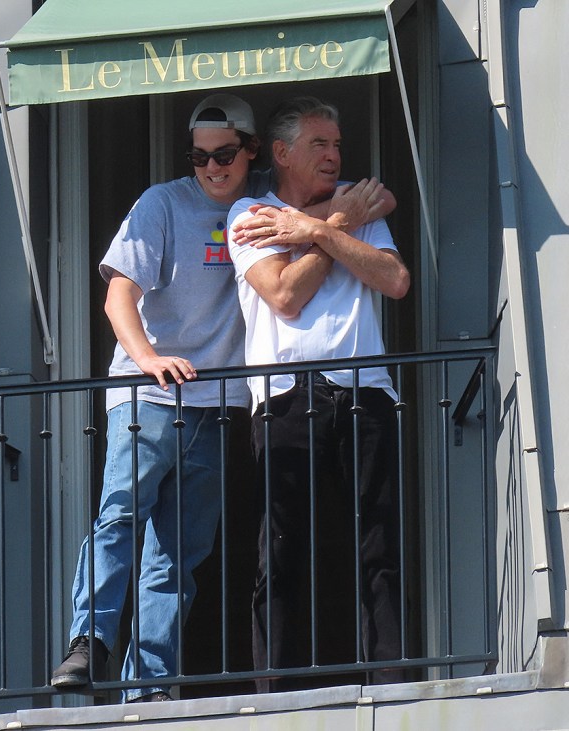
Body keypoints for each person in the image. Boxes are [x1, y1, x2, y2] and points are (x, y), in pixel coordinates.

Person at [51, 91, 396, 702]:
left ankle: (150, 686)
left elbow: (379, 199)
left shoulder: (263, 194)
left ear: (254, 151)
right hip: (150, 397)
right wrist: (149, 360)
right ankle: (89, 641)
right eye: (199, 156)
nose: (212, 166)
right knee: (121, 516)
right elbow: (117, 298)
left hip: (219, 404)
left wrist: (322, 222)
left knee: (178, 554)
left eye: (226, 153)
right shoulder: (168, 204)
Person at [227, 96, 411, 691]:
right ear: (281, 153)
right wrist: (333, 227)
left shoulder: (358, 199)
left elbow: (395, 279)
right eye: (320, 145)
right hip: (283, 397)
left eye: (337, 145)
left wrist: (311, 229)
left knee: (377, 544)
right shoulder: (250, 214)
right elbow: (284, 295)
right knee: (279, 553)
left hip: (364, 389)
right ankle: (277, 693)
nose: (335, 155)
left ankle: (385, 680)